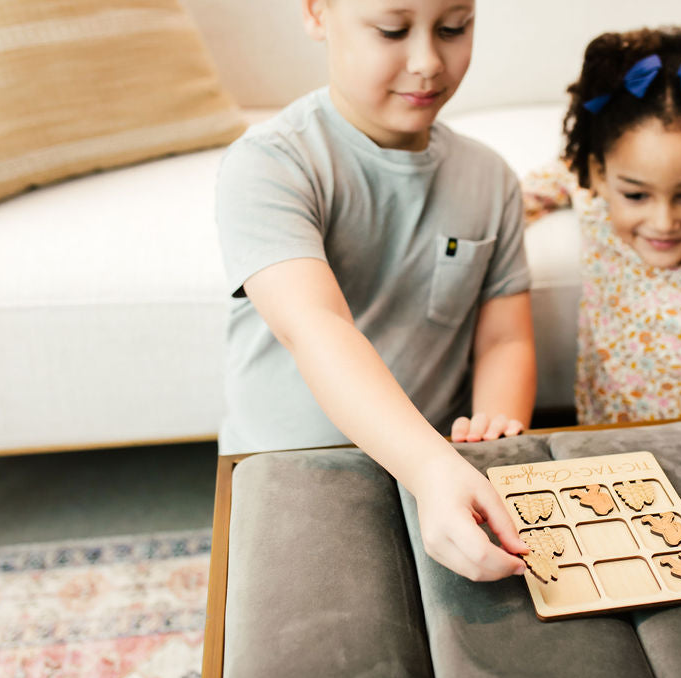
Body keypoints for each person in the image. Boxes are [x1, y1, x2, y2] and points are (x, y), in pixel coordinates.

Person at [215, 0, 534, 581]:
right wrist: (431, 467)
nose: (428, 62)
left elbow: (504, 340)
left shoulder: (490, 179)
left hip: (439, 462)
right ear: (316, 14)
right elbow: (316, 327)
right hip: (287, 468)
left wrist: (494, 438)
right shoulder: (271, 165)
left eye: (453, 28)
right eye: (392, 30)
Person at [523, 27, 681, 425]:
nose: (662, 223)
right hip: (596, 450)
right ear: (600, 176)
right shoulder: (598, 209)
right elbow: (546, 184)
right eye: (637, 195)